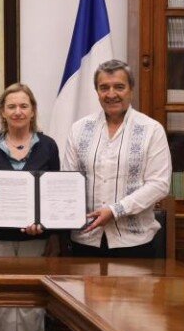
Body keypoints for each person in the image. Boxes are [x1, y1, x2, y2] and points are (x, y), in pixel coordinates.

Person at [0, 83, 60, 331]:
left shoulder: (48, 146)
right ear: (2, 112)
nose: (18, 111)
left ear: (33, 111)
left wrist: (44, 225)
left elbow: (54, 192)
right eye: (11, 106)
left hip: (34, 238)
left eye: (24, 106)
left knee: (31, 304)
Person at [63, 59, 171, 258]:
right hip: (84, 241)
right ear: (97, 92)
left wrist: (115, 210)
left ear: (131, 89)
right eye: (104, 88)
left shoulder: (151, 130)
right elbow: (68, 182)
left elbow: (159, 184)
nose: (111, 94)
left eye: (119, 87)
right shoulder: (79, 129)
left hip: (135, 244)